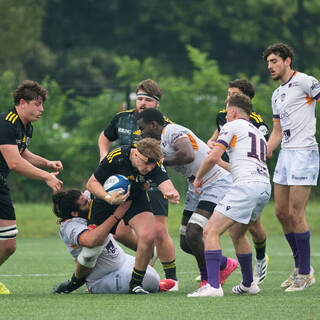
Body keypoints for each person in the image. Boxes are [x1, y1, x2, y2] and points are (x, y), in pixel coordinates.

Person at [137, 108, 239, 296]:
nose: (141, 133)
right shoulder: (160, 141)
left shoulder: (172, 131)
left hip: (215, 181)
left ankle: (208, 282)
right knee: (186, 241)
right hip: (197, 185)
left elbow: (188, 155)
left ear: (153, 125)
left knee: (194, 233)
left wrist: (158, 160)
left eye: (142, 128)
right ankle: (224, 264)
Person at [98, 79, 178, 287]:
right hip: (128, 184)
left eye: (148, 100)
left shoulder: (164, 125)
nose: (142, 103)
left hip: (153, 180)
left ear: (156, 104)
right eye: (139, 98)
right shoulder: (122, 119)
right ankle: (147, 250)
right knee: (121, 232)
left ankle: (172, 279)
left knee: (160, 231)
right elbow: (104, 137)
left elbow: (170, 152)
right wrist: (103, 156)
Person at [192, 93, 271, 297]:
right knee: (237, 233)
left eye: (227, 113)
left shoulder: (231, 126)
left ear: (234, 112)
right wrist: (219, 162)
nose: (225, 117)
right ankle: (249, 284)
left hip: (246, 186)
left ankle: (212, 286)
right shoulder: (257, 133)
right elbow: (238, 165)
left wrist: (198, 177)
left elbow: (213, 157)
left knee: (210, 231)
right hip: (263, 187)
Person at [87, 138, 179, 294]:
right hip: (105, 198)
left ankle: (135, 284)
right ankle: (80, 280)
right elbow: (92, 183)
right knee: (93, 242)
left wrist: (171, 192)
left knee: (149, 236)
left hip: (134, 198)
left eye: (152, 165)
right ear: (136, 154)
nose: (149, 168)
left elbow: (165, 182)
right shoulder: (117, 157)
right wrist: (109, 198)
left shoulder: (154, 163)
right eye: (146, 164)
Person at [263, 43, 320, 291]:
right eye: (268, 63)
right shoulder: (276, 94)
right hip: (286, 155)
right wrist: (265, 149)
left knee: (297, 214)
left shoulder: (306, 81)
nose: (270, 67)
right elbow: (277, 131)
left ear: (287, 61)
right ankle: (299, 267)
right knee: (281, 213)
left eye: (274, 61)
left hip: (304, 153)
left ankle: (306, 274)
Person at [0, 80, 63, 295]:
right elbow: (14, 162)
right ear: (22, 103)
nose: (42, 109)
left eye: (42, 104)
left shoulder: (26, 127)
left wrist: (47, 163)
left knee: (9, 245)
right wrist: (46, 176)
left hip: (1, 184)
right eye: (37, 104)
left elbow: (22, 152)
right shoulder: (6, 124)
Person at [52, 189, 176, 294]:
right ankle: (88, 285)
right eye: (85, 203)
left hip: (122, 260)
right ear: (74, 213)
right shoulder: (70, 226)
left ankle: (150, 278)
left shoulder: (87, 199)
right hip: (103, 276)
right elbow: (91, 241)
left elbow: (98, 182)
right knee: (150, 280)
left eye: (86, 198)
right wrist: (116, 215)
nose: (89, 202)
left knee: (150, 276)